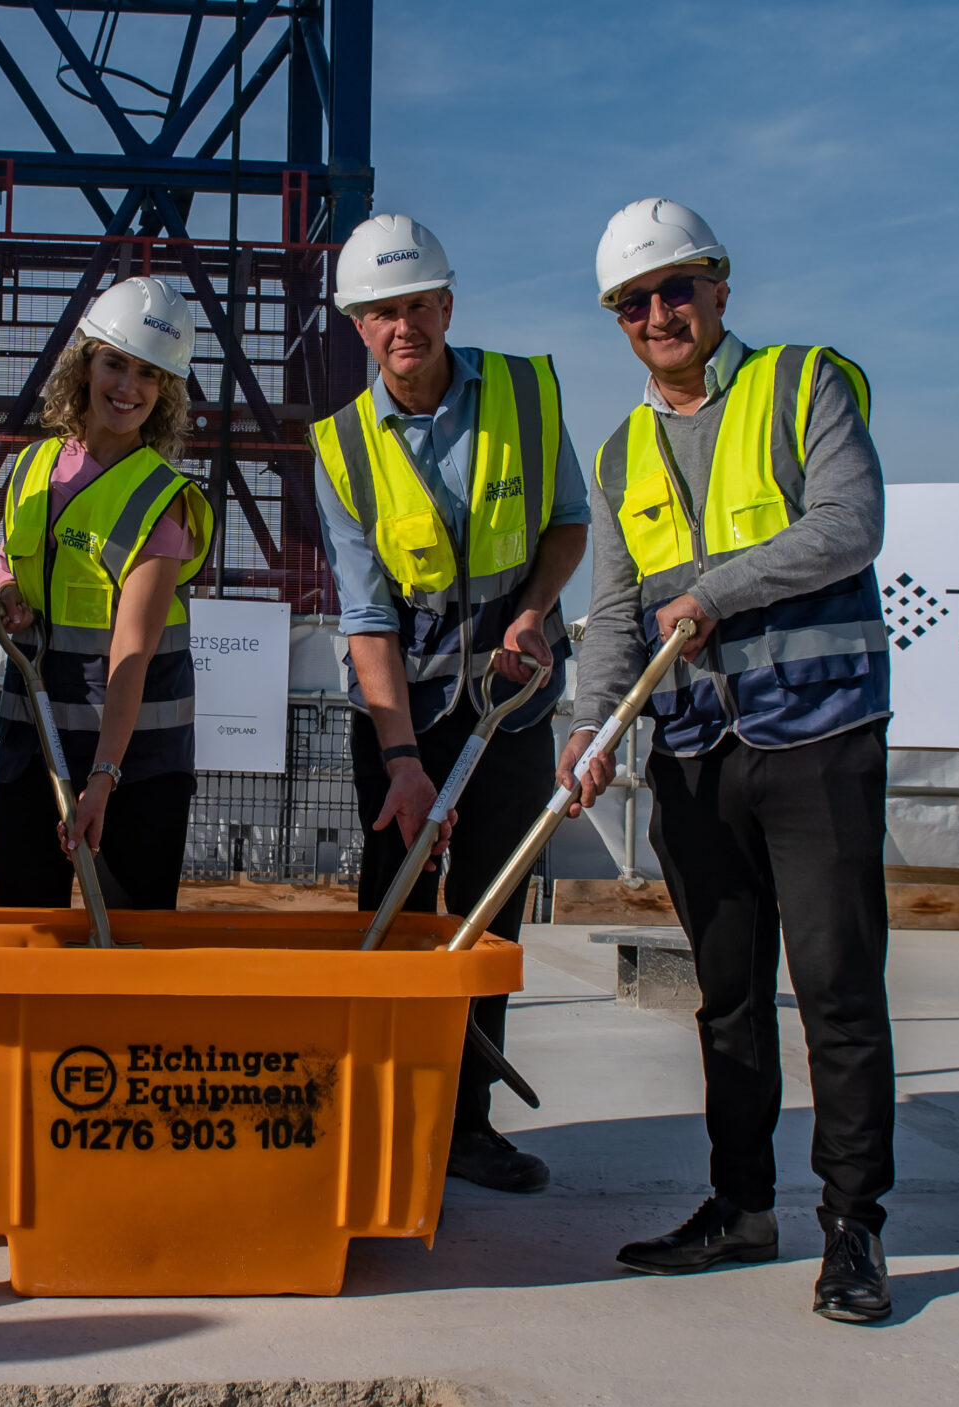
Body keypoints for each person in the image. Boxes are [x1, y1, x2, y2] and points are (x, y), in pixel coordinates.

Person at [562, 198, 895, 1323]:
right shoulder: (618, 453)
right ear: (619, 320)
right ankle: (739, 1207)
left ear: (717, 288)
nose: (660, 313)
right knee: (725, 998)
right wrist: (591, 724)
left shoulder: (806, 385)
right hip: (697, 753)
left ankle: (852, 1229)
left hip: (818, 736)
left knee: (839, 989)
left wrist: (717, 593)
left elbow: (847, 527)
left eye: (677, 288)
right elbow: (614, 609)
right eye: (635, 302)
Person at [310, 214, 590, 1194]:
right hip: (400, 710)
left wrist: (534, 614)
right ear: (357, 324)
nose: (401, 328)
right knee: (390, 911)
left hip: (508, 700)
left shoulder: (523, 391)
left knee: (486, 912)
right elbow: (363, 613)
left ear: (447, 304)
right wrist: (401, 759)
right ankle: (378, 1111)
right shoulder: (342, 445)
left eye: (416, 305)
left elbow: (565, 521)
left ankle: (463, 1126)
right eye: (379, 312)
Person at [0, 276, 215, 911]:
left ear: (166, 391)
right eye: (115, 363)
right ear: (86, 363)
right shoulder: (32, 467)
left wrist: (101, 781)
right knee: (25, 940)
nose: (127, 388)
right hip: (32, 741)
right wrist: (9, 594)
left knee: (127, 956)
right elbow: (10, 560)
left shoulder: (162, 500)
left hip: (133, 766)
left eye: (149, 375)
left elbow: (133, 652)